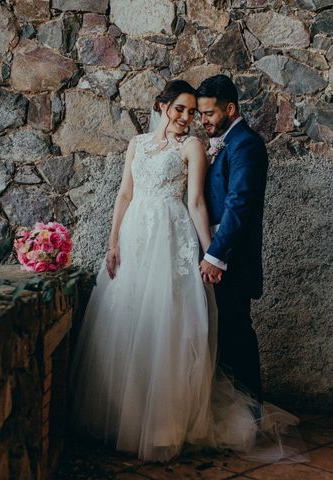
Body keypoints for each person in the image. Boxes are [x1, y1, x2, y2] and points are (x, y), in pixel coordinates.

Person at [70, 79, 300, 463]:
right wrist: (112, 243)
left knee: (172, 326)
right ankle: (127, 417)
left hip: (172, 239)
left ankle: (165, 423)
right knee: (127, 322)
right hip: (135, 238)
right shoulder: (137, 145)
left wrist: (211, 255)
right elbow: (124, 194)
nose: (189, 117)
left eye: (196, 112)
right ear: (162, 106)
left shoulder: (195, 147)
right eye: (182, 109)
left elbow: (197, 203)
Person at [196, 75, 267, 405]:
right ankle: (232, 409)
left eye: (209, 113)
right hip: (217, 256)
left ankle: (252, 411)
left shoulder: (246, 144)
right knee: (222, 336)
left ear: (230, 108)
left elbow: (240, 203)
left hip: (233, 262)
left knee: (237, 336)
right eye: (201, 114)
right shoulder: (224, 142)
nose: (203, 120)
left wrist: (215, 255)